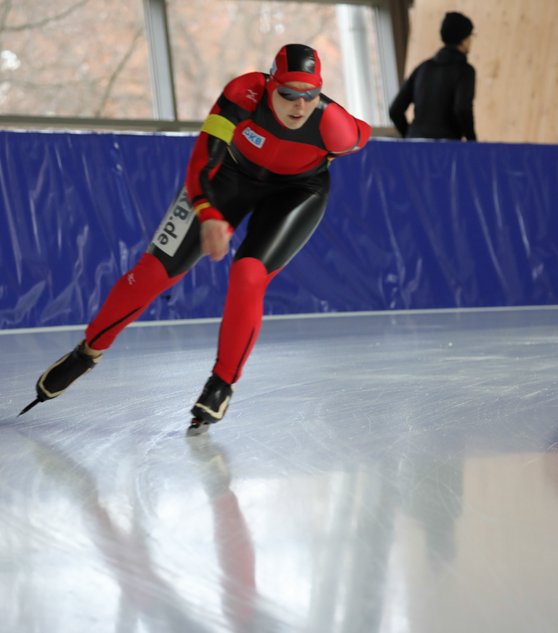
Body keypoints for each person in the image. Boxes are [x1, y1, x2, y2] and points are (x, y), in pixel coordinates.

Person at [21, 44, 371, 428]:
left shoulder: (336, 126)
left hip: (296, 192)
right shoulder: (242, 94)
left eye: (310, 94)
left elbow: (363, 134)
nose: (299, 105)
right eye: (287, 93)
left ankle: (221, 383)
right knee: (153, 273)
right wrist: (207, 214)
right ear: (270, 85)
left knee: (249, 275)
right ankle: (87, 352)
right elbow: (201, 163)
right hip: (226, 177)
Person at [389, 11, 477, 141]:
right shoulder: (465, 71)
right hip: (446, 145)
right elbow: (462, 109)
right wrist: (472, 142)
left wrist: (409, 135)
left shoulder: (422, 68)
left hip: (416, 142)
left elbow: (395, 109)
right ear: (464, 40)